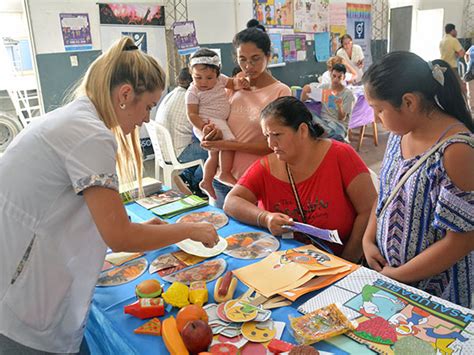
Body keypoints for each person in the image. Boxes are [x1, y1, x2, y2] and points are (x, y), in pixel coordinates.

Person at [0, 37, 219, 354]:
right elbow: (118, 235)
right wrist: (190, 229)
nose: (146, 118)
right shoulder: (90, 133)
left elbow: (81, 205)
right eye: (148, 107)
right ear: (125, 94)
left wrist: (145, 229)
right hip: (21, 303)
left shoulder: (77, 119)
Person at [362, 51, 474, 308]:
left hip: (436, 292)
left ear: (409, 102)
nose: (375, 118)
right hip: (392, 281)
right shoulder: (399, 134)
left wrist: (400, 275)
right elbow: (386, 194)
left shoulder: (456, 150)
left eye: (379, 109)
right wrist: (368, 240)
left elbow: (463, 239)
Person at [224, 96, 376, 261]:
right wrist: (265, 218)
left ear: (303, 130)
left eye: (277, 134)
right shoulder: (266, 166)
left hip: (342, 260)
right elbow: (231, 201)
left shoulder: (341, 155)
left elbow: (368, 210)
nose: (270, 143)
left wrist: (348, 261)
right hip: (288, 264)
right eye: (267, 136)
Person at [199, 21, 291, 207]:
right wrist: (208, 133)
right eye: (242, 59)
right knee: (221, 235)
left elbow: (274, 146)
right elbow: (218, 119)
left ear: (268, 56)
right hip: (220, 180)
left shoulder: (281, 92)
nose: (248, 66)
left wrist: (226, 144)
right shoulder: (233, 86)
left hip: (255, 181)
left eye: (255, 58)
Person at [186, 48, 249, 198]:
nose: (203, 82)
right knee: (229, 142)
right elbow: (192, 114)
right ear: (191, 74)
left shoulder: (221, 80)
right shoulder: (193, 92)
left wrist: (240, 82)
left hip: (218, 121)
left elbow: (232, 84)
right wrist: (203, 126)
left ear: (217, 74)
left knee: (214, 154)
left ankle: (206, 180)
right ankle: (225, 173)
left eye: (209, 78)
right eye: (198, 77)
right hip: (207, 122)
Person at [155, 68, 207, 195]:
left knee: (196, 141)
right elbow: (204, 126)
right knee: (214, 149)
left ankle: (185, 177)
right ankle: (196, 185)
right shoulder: (190, 99)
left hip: (163, 151)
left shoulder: (171, 95)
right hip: (179, 153)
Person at [302, 63, 355, 142]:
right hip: (324, 122)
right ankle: (329, 134)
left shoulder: (348, 94)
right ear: (330, 75)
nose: (336, 79)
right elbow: (304, 99)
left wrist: (339, 106)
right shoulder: (325, 87)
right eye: (334, 76)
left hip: (338, 125)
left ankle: (327, 135)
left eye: (339, 77)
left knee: (332, 132)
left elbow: (342, 118)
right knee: (307, 112)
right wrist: (305, 91)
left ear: (344, 77)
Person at [439, 23, 466, 90]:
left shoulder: (442, 41)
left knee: (446, 87)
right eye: (455, 30)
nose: (456, 32)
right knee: (460, 86)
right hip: (452, 67)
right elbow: (462, 53)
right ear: (452, 31)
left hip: (442, 67)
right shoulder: (453, 40)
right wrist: (457, 54)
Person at [464, 44, 474, 113]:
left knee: (470, 92)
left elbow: (466, 55)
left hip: (470, 72)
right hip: (470, 73)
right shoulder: (472, 47)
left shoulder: (472, 47)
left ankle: (472, 108)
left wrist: (467, 63)